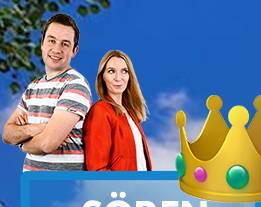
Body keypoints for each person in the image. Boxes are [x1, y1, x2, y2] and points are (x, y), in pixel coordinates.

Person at [3, 13, 89, 170]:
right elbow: (7, 134)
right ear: (42, 44)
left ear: (74, 51)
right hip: (32, 186)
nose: (56, 49)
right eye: (52, 40)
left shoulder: (75, 85)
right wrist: (36, 128)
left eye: (65, 44)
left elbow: (47, 144)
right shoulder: (33, 87)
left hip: (63, 187)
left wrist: (22, 143)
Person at [82, 50, 150, 171]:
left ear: (130, 76)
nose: (118, 78)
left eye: (124, 71)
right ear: (102, 77)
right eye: (111, 71)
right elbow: (97, 169)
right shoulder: (100, 111)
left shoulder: (130, 113)